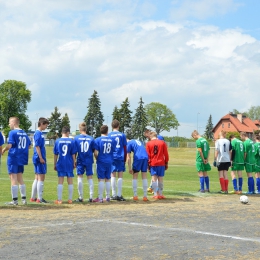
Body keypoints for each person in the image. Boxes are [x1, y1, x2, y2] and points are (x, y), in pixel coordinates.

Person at [2, 117, 31, 205]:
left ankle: (14, 200)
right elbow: (29, 146)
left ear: (14, 123)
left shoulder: (12, 132)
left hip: (13, 157)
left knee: (13, 178)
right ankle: (24, 199)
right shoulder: (24, 133)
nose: (9, 124)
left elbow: (10, 145)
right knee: (20, 178)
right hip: (22, 158)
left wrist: (4, 149)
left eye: (10, 123)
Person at [53, 126, 77, 204]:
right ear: (67, 133)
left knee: (60, 181)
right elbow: (73, 154)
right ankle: (70, 199)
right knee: (70, 181)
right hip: (69, 162)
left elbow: (56, 154)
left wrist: (55, 163)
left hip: (61, 162)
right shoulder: (72, 141)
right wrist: (74, 162)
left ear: (62, 132)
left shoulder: (57, 141)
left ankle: (59, 199)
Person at [93, 125, 116, 203]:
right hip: (109, 161)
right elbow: (113, 150)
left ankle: (100, 198)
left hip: (101, 161)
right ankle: (108, 196)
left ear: (100, 131)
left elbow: (95, 152)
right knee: (108, 179)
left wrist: (97, 158)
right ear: (107, 131)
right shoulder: (112, 140)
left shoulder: (98, 140)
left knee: (101, 179)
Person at [74, 122, 95, 202]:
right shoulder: (91, 138)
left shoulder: (76, 138)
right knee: (90, 177)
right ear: (86, 129)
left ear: (80, 129)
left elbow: (75, 151)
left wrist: (74, 160)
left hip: (80, 159)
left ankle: (80, 197)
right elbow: (93, 150)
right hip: (89, 159)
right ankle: (91, 197)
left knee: (80, 177)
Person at [30, 117, 49, 203]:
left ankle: (33, 197)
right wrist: (41, 157)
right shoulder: (38, 133)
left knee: (37, 177)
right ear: (41, 124)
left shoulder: (40, 133)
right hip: (38, 157)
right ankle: (39, 198)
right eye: (45, 125)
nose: (46, 127)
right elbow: (37, 146)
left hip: (38, 157)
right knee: (41, 177)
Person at [146, 131, 169, 199]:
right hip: (161, 163)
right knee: (160, 178)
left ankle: (155, 194)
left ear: (150, 136)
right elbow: (166, 154)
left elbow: (148, 155)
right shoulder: (162, 143)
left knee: (154, 179)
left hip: (153, 163)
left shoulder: (148, 143)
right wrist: (166, 162)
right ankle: (160, 194)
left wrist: (148, 164)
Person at [108, 119, 127, 201]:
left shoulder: (109, 135)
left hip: (112, 156)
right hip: (120, 156)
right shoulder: (122, 135)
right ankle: (119, 195)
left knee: (112, 175)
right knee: (120, 175)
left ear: (112, 126)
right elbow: (125, 148)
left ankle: (114, 194)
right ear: (118, 126)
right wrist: (125, 157)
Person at [144, 129, 165, 194]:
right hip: (160, 161)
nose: (148, 138)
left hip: (156, 160)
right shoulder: (154, 140)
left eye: (147, 136)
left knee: (155, 176)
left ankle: (156, 191)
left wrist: (148, 164)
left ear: (149, 133)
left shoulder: (159, 138)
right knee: (156, 176)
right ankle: (157, 191)